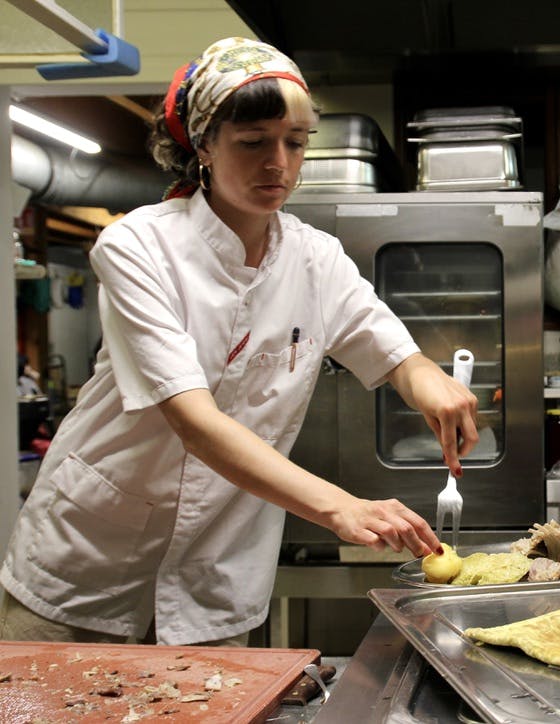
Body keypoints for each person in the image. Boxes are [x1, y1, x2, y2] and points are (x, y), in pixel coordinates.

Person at [0, 37, 477, 646]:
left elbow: (388, 348)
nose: (277, 162)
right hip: (87, 562)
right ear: (202, 145)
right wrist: (342, 508)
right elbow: (194, 423)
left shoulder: (314, 257)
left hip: (218, 570)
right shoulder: (138, 249)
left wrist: (429, 380)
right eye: (253, 142)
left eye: (295, 143)